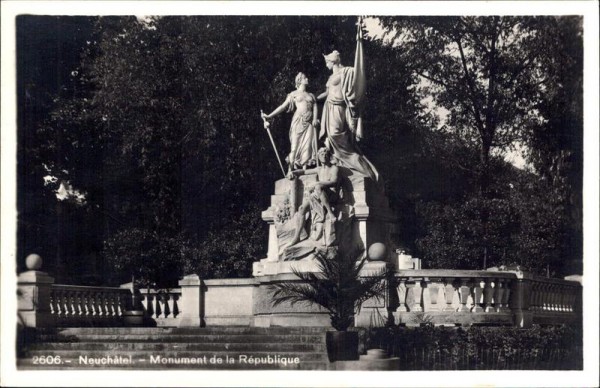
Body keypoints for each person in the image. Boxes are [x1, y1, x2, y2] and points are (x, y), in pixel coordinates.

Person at [318, 50, 379, 182]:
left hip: (340, 107)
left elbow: (356, 87)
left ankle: (359, 165)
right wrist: (314, 98)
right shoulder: (330, 77)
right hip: (329, 108)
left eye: (327, 62)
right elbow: (327, 93)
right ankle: (337, 163)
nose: (326, 65)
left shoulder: (348, 71)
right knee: (329, 139)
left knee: (336, 135)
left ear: (333, 61)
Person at [261, 72, 319, 171]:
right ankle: (290, 169)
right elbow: (283, 106)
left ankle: (304, 170)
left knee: (307, 146)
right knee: (295, 146)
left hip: (309, 123)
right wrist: (269, 116)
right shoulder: (293, 94)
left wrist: (314, 119)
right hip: (298, 121)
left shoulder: (311, 95)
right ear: (300, 80)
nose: (307, 79)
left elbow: (315, 107)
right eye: (305, 77)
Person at [287, 147, 340, 247]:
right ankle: (297, 236)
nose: (324, 156)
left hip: (331, 195)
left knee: (318, 187)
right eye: (321, 155)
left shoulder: (334, 168)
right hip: (319, 194)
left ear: (329, 156)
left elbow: (334, 182)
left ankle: (330, 213)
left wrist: (317, 183)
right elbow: (303, 172)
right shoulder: (319, 169)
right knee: (302, 208)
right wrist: (293, 172)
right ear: (319, 157)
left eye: (326, 154)